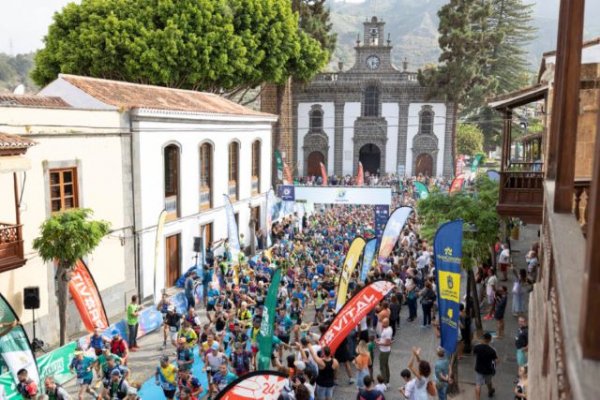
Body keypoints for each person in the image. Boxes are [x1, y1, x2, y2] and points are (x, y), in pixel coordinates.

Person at [473, 332, 498, 399]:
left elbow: (474, 354)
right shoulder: (492, 350)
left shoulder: (477, 347)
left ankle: (477, 398)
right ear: (489, 340)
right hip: (488, 369)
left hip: (479, 368)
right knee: (488, 381)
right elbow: (496, 360)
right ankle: (490, 391)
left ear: (483, 339)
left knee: (478, 384)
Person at [375, 318, 393, 384]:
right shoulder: (388, 329)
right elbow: (384, 339)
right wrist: (379, 339)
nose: (382, 324)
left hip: (384, 351)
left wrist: (379, 343)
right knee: (385, 365)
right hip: (385, 350)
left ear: (387, 323)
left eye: (383, 323)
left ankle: (384, 382)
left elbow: (388, 343)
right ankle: (387, 380)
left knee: (382, 367)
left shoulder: (387, 331)